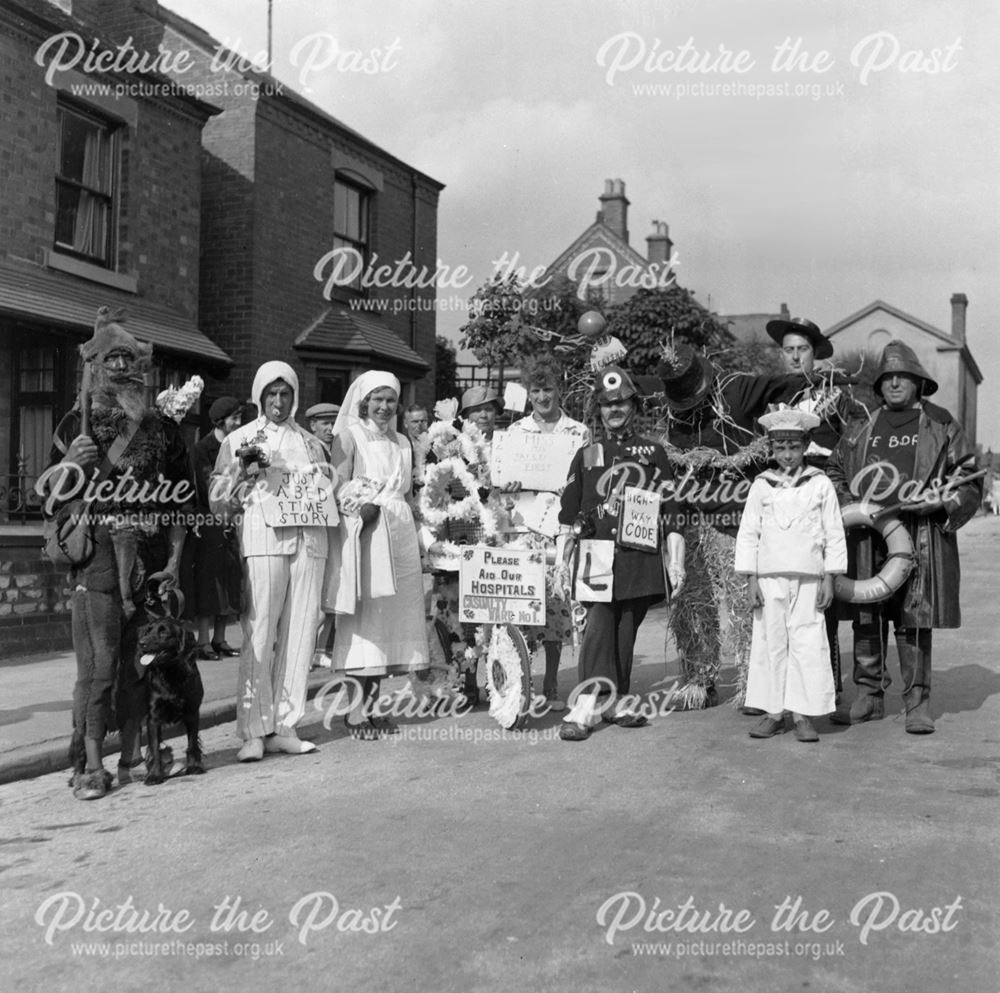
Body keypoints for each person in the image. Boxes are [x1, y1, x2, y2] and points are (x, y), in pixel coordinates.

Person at [657, 317, 861, 708]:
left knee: (746, 606)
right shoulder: (674, 410)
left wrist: (828, 380)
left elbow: (781, 384)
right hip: (690, 517)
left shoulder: (735, 388)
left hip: (734, 519)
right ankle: (698, 678)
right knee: (689, 603)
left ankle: (756, 686)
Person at [44, 307, 193, 799]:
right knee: (99, 668)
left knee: (140, 666)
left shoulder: (163, 430)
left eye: (131, 360)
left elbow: (182, 503)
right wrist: (70, 461)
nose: (124, 369)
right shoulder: (74, 424)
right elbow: (49, 499)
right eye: (113, 360)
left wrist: (172, 562)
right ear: (95, 367)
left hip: (149, 561)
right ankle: (89, 765)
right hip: (99, 560)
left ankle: (132, 757)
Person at [826, 340, 981, 734]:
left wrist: (939, 503)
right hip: (866, 536)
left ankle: (917, 703)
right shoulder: (860, 427)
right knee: (866, 613)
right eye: (887, 377)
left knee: (914, 618)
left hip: (920, 534)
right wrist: (854, 506)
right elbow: (834, 472)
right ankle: (869, 697)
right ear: (879, 385)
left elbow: (968, 479)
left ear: (918, 382)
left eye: (903, 377)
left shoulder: (941, 424)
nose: (895, 383)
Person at [211, 361, 332, 761]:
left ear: (295, 397)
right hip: (263, 539)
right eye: (271, 394)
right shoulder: (241, 439)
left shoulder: (313, 443)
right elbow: (218, 502)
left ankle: (286, 724)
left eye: (285, 394)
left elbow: (328, 489)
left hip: (309, 540)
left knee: (301, 633)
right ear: (259, 396)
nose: (278, 402)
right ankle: (253, 729)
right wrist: (237, 484)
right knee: (260, 630)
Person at [558, 365, 685, 741]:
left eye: (622, 403)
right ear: (597, 410)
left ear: (633, 405)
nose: (614, 410)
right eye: (607, 405)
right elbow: (567, 516)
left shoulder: (654, 453)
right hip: (596, 556)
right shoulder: (585, 455)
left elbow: (672, 513)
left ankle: (616, 699)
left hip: (637, 557)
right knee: (599, 624)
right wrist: (560, 564)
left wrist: (676, 563)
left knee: (625, 629)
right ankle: (585, 705)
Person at [324, 371, 431, 739]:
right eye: (377, 400)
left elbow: (409, 495)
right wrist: (359, 507)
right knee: (366, 623)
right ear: (364, 402)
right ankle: (355, 712)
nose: (384, 407)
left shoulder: (403, 441)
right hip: (366, 532)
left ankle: (373, 706)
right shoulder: (348, 437)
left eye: (390, 400)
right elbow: (335, 489)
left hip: (399, 535)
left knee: (390, 624)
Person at [734, 409, 847, 742]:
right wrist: (751, 578)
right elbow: (749, 532)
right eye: (780, 447)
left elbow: (833, 531)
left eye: (793, 448)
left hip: (809, 579)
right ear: (771, 448)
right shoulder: (761, 486)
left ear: (805, 446)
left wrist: (829, 576)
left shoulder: (820, 483)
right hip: (770, 579)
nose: (787, 455)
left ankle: (803, 714)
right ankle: (773, 712)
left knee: (807, 643)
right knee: (771, 643)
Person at [506, 354, 591, 711]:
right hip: (525, 527)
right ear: (528, 392)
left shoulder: (578, 432)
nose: (542, 396)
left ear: (560, 391)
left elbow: (589, 480)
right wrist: (507, 486)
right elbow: (504, 489)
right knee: (524, 604)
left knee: (557, 604)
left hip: (561, 528)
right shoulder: (516, 432)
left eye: (549, 389)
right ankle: (521, 683)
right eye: (536, 389)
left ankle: (553, 685)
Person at [181, 395, 244, 660]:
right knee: (209, 580)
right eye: (234, 418)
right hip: (209, 519)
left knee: (230, 579)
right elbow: (203, 485)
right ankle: (203, 640)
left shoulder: (240, 445)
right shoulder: (203, 448)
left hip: (234, 518)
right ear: (220, 421)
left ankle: (221, 638)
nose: (239, 423)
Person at [305, 402, 342, 668]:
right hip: (315, 527)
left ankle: (321, 647)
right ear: (313, 425)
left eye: (333, 423)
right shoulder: (308, 450)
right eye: (325, 423)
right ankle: (305, 650)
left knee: (331, 589)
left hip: (335, 525)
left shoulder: (336, 451)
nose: (330, 429)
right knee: (313, 594)